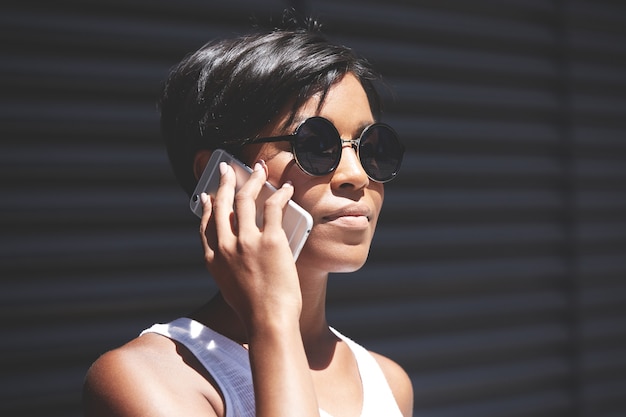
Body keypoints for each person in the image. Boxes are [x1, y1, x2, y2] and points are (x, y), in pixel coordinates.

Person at [83, 14, 414, 417]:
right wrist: (272, 320)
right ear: (221, 176)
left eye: (371, 146)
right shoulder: (146, 380)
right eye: (315, 144)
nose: (356, 175)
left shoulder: (388, 381)